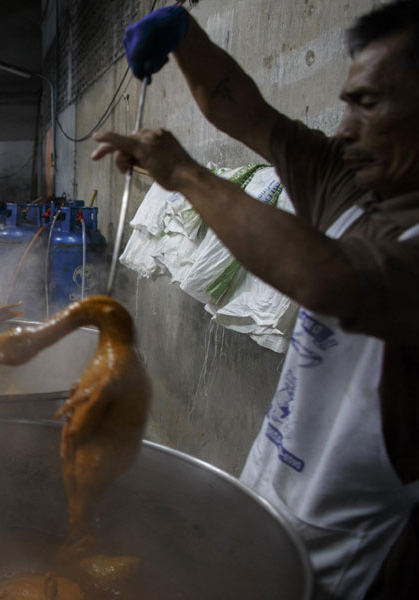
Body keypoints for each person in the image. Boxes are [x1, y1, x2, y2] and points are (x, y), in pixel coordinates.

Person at [91, 2, 419, 598]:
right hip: (264, 519)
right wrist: (185, 37)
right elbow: (243, 110)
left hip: (350, 572)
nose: (343, 129)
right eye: (345, 104)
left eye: (367, 104)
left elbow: (329, 280)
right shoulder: (351, 190)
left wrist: (185, 175)